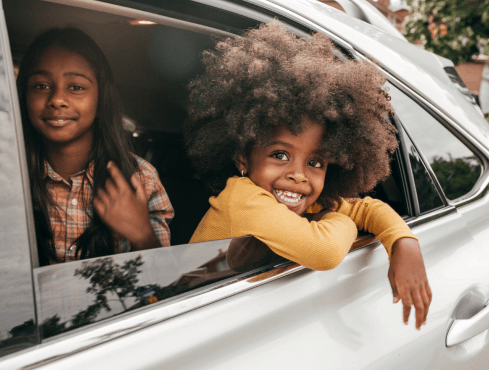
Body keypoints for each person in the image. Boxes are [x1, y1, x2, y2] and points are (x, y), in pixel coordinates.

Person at [185, 21, 431, 329]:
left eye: (316, 162)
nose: (299, 175)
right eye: (280, 155)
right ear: (242, 159)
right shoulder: (243, 199)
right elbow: (325, 251)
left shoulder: (302, 200)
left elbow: (367, 207)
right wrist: (340, 219)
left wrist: (403, 241)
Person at [16, 28, 174, 266]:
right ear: (24, 96)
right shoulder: (10, 175)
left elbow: (164, 283)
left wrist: (142, 234)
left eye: (76, 87)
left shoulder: (141, 179)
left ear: (100, 102)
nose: (57, 99)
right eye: (41, 85)